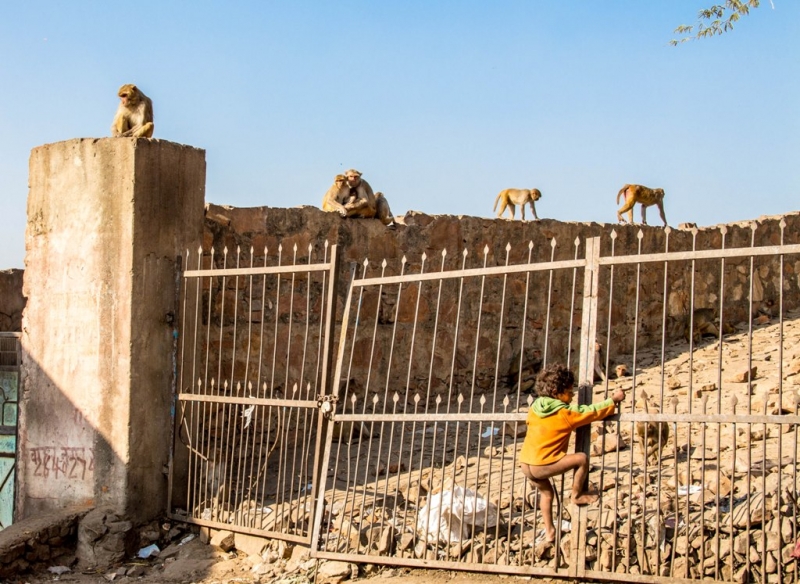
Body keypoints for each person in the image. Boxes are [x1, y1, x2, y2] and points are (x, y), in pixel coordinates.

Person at [519, 364, 624, 542]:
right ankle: (576, 495)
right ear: (555, 392)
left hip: (525, 463)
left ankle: (550, 530)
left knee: (547, 494)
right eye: (569, 391)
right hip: (541, 465)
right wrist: (613, 400)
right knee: (581, 459)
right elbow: (590, 412)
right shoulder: (564, 412)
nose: (573, 395)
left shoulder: (535, 408)